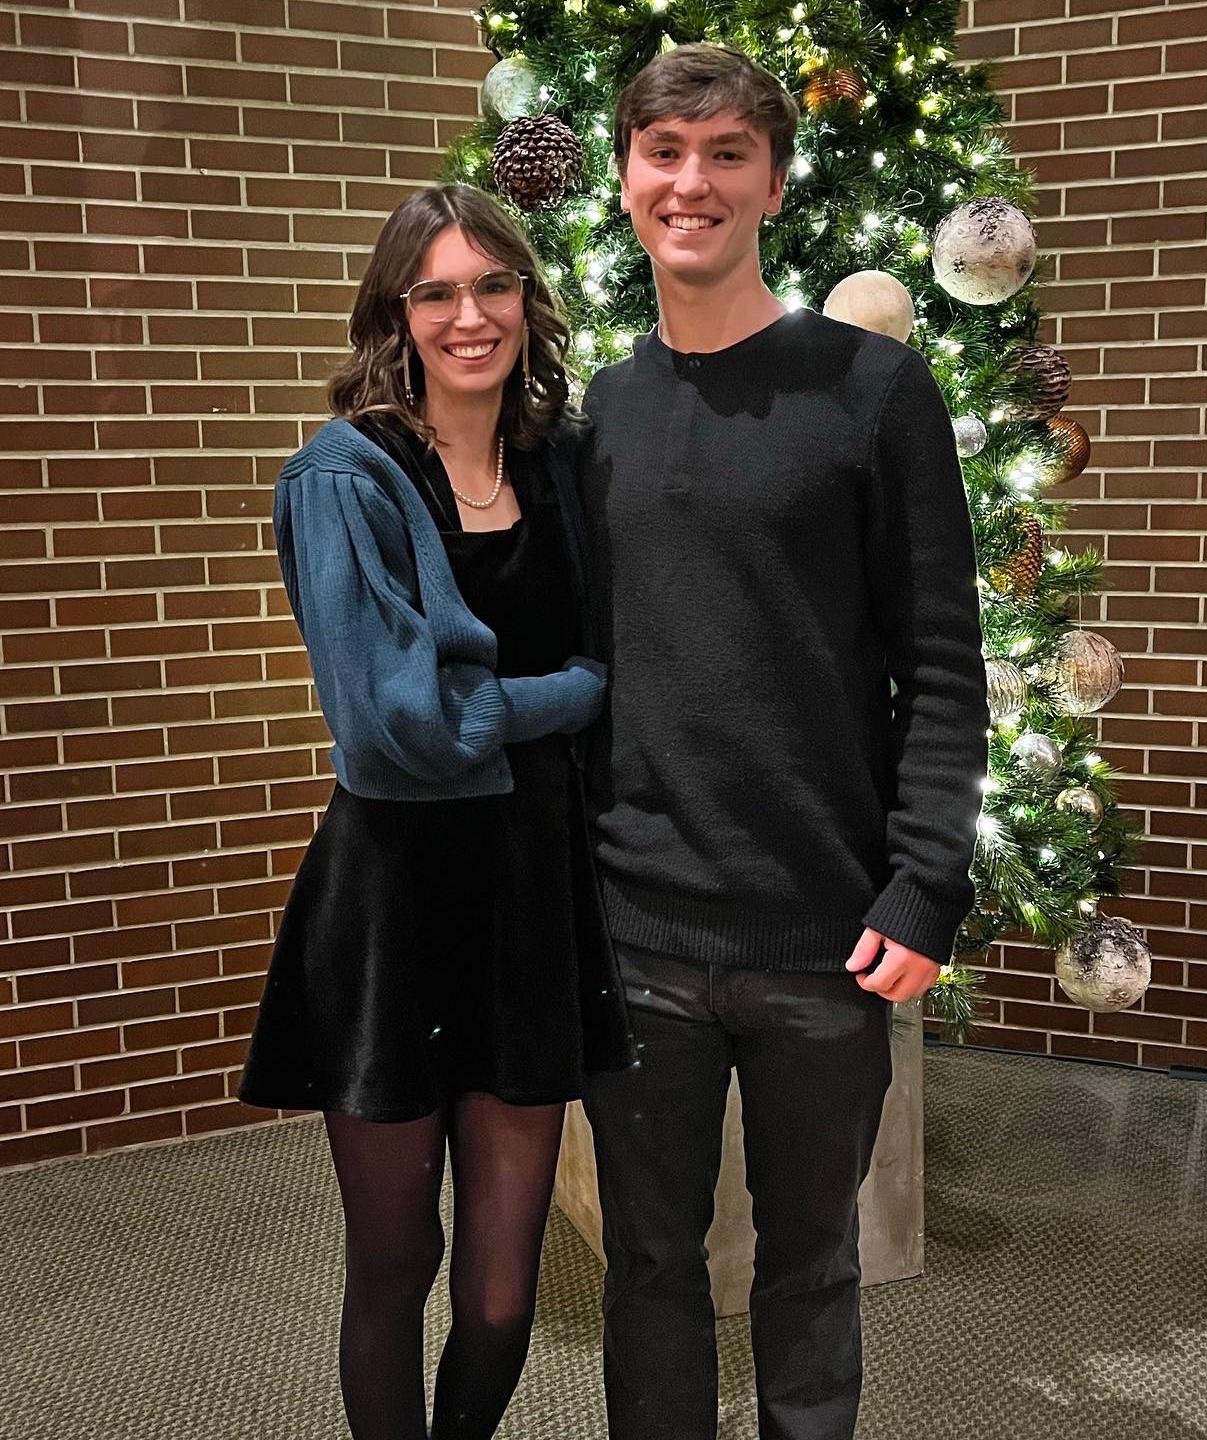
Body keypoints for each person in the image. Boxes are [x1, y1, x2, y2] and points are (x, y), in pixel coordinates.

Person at [579, 44, 988, 1440]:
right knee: (649, 1270)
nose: (690, 182)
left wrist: (926, 882)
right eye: (664, 151)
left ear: (774, 182)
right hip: (637, 936)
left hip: (828, 938)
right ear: (626, 178)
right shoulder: (601, 412)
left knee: (811, 1271)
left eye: (726, 153)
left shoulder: (873, 391)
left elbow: (943, 663)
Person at [239, 183, 631, 1440]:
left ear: (526, 298)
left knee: (506, 1295)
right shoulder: (342, 477)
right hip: (393, 905)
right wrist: (569, 694)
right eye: (439, 292)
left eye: (494, 285)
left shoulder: (560, 460)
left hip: (528, 900)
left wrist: (521, 702)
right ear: (397, 314)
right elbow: (398, 730)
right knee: (397, 1261)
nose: (472, 316)